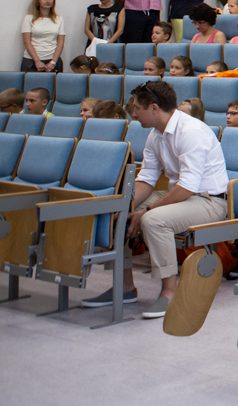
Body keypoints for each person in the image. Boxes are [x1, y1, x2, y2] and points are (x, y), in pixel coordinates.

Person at [79, 80, 229, 317]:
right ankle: (125, 287)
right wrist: (127, 206)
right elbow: (147, 178)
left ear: (154, 108)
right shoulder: (155, 134)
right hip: (182, 196)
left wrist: (145, 211)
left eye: (137, 108)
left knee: (154, 220)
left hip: (209, 200)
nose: (133, 113)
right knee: (118, 210)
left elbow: (187, 186)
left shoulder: (192, 132)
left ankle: (169, 292)